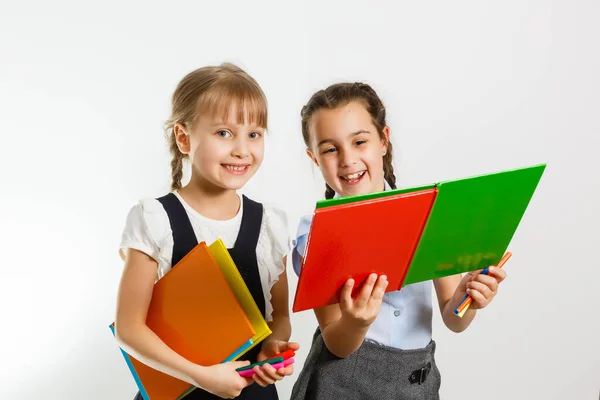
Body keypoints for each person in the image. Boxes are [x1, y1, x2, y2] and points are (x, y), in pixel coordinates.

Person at [290, 82, 506, 399]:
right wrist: (356, 323)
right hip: (341, 384)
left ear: (383, 141)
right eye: (330, 148)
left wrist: (469, 296)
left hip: (416, 382)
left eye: (359, 141)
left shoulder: (429, 214)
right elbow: (336, 341)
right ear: (314, 158)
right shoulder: (316, 233)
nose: (348, 159)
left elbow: (453, 317)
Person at [114, 62, 298, 399]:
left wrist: (273, 345)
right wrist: (202, 376)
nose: (242, 149)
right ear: (184, 138)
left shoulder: (269, 224)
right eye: (224, 133)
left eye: (254, 134)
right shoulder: (155, 219)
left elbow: (279, 316)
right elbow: (129, 329)